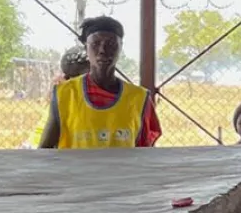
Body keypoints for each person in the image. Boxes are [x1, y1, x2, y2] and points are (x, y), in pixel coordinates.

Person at [39, 16, 162, 148]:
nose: (102, 51)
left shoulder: (139, 99)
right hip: (75, 169)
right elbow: (44, 151)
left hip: (122, 169)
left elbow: (147, 155)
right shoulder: (64, 94)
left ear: (121, 47)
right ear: (86, 47)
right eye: (95, 44)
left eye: (111, 44)